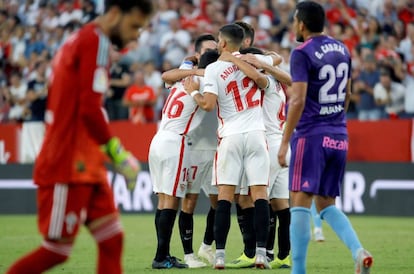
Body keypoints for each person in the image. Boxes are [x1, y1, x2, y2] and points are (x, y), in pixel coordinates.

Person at [5, 1, 153, 273]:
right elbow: (89, 109)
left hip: (86, 161)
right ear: (114, 14)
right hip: (69, 162)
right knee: (56, 250)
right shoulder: (96, 42)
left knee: (112, 240)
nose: (135, 35)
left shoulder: (80, 39)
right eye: (134, 26)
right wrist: (118, 153)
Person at [277, 2, 373, 274]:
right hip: (339, 135)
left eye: (295, 21)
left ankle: (298, 271)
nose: (294, 26)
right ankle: (358, 251)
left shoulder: (302, 52)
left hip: (311, 135)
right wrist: (335, 123)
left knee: (299, 201)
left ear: (302, 24)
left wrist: (285, 141)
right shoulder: (342, 49)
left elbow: (297, 100)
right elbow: (347, 93)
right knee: (326, 203)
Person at [183, 23, 270, 269]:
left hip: (230, 135)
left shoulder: (213, 69)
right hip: (256, 134)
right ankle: (261, 254)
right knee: (260, 194)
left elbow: (208, 105)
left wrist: (192, 93)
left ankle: (219, 255)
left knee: (224, 197)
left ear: (221, 43)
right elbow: (264, 81)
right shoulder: (253, 60)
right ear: (242, 41)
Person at [149, 49, 219, 270]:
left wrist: (190, 61)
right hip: (176, 143)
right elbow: (208, 104)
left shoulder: (182, 79)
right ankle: (161, 257)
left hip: (158, 139)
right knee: (171, 201)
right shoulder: (204, 81)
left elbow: (166, 76)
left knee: (162, 201)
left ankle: (163, 254)